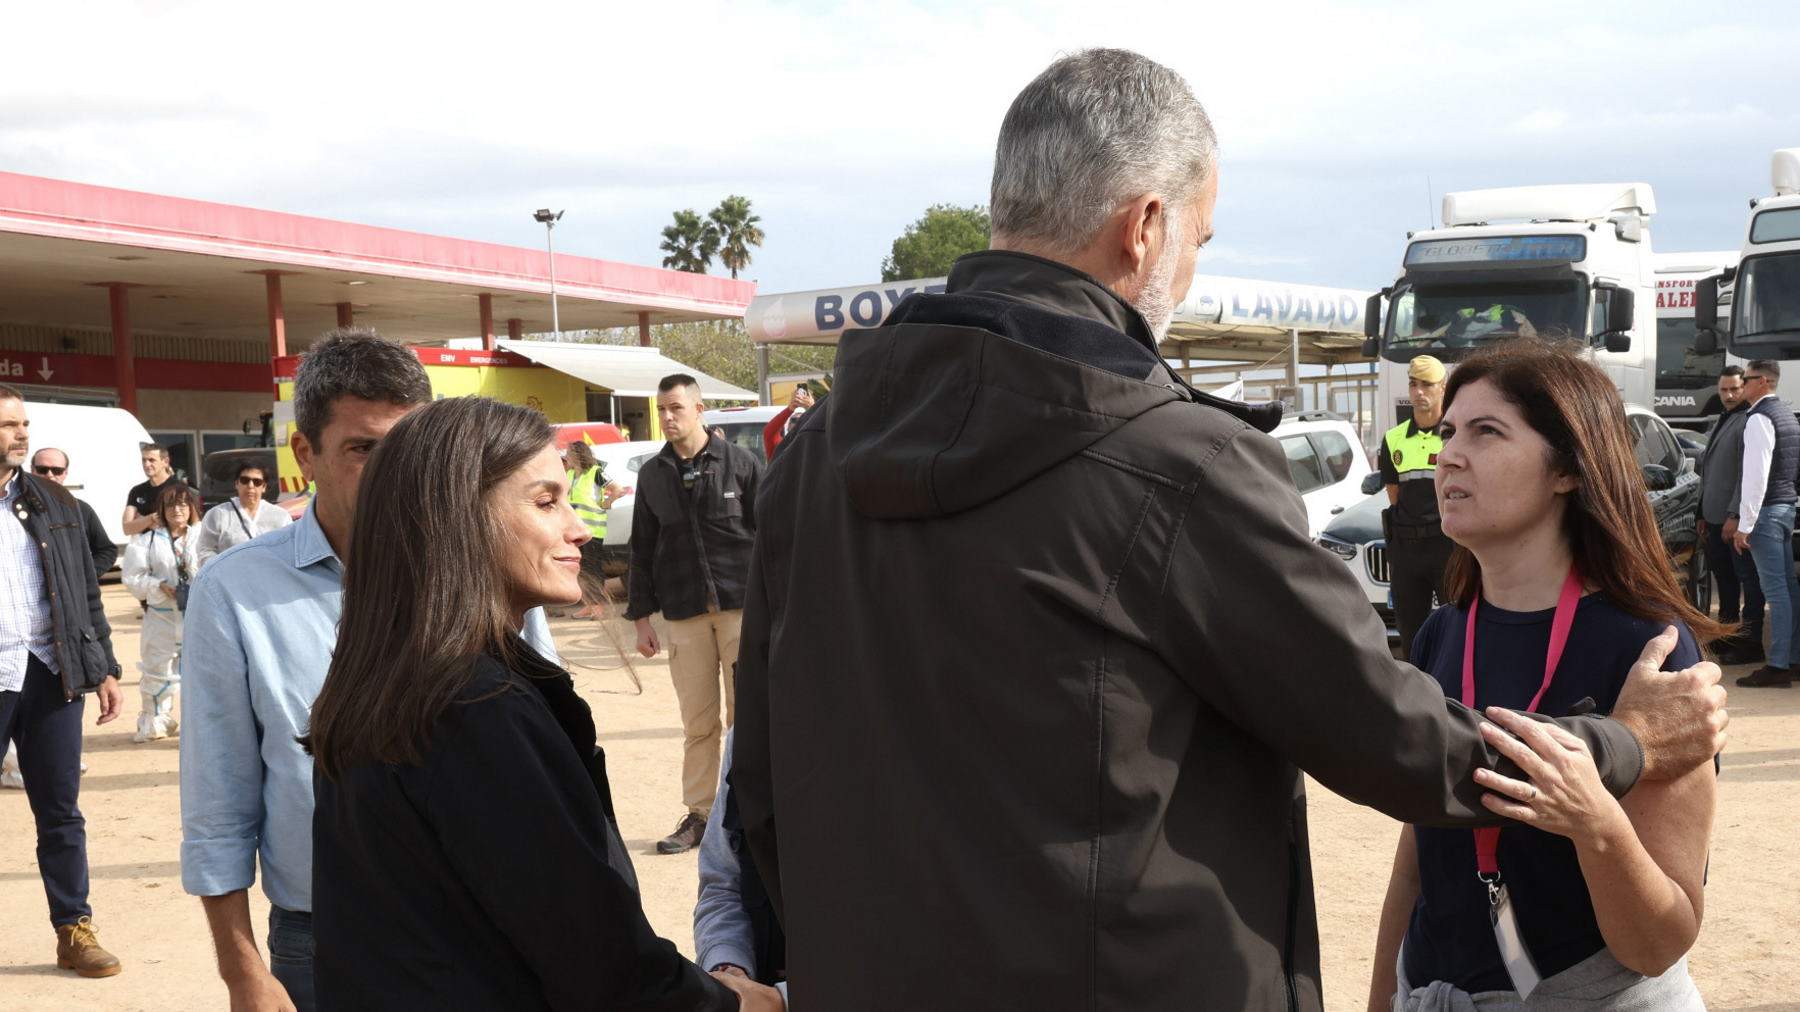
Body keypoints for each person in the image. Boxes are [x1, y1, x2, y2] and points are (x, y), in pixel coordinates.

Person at [728, 50, 1729, 1010]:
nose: (1192, 270)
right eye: (1200, 239)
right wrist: (1621, 743)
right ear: (1145, 226)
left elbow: (760, 786)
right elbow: (1393, 741)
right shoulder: (1176, 463)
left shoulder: (810, 459)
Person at [304, 396, 777, 1011]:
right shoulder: (472, 707)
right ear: (458, 517)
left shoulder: (397, 683)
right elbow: (595, 956)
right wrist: (734, 1004)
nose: (578, 527)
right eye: (545, 501)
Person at [179, 328, 559, 1012]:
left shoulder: (487, 568)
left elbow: (549, 757)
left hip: (492, 929)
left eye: (406, 449)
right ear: (304, 454)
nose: (392, 473)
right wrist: (245, 975)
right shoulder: (234, 594)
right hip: (320, 944)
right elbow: (219, 806)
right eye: (363, 449)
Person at [1367, 340, 1720, 1009]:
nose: (1447, 455)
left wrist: (1595, 823)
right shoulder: (1444, 633)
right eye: (1447, 433)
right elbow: (1418, 861)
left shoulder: (1652, 652)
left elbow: (1659, 942)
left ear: (1567, 469)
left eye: (1487, 431)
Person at [0, 383, 126, 978]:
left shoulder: (54, 501)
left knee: (61, 812)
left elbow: (83, 592)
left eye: (22, 423)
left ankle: (73, 930)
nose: (21, 434)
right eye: (8, 425)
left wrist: (101, 665)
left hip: (50, 675)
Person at [626, 373, 765, 855]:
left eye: (676, 408)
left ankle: (754, 811)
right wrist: (642, 620)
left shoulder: (742, 465)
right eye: (662, 408)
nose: (667, 417)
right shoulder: (652, 475)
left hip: (741, 610)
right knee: (698, 723)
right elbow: (642, 550)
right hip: (684, 614)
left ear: (699, 409)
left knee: (748, 716)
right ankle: (701, 815)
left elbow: (771, 539)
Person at [695, 729, 787, 996]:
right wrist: (728, 966)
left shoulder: (894, 743)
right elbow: (724, 885)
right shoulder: (750, 735)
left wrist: (784, 999)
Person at [1728, 359, 1800, 688]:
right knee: (1789, 589)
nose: (1742, 385)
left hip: (1766, 512)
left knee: (1776, 593)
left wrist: (1746, 523)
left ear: (1764, 383)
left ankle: (1778, 665)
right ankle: (1792, 658)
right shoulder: (1785, 414)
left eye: (1747, 379)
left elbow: (1755, 477)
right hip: (1784, 509)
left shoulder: (1759, 418)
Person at [1381, 355, 1455, 657]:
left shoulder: (1456, 436)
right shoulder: (1393, 438)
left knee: (1458, 626)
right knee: (1411, 635)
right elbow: (1393, 493)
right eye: (1413, 384)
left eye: (1427, 384)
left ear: (1443, 388)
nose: (1418, 392)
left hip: (1448, 546)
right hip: (1408, 551)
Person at [121, 483, 201, 743]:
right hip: (162, 616)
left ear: (191, 508)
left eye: (182, 504)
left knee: (201, 672)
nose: (177, 510)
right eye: (170, 505)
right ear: (161, 510)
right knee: (157, 669)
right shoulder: (147, 541)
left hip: (198, 617)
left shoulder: (203, 538)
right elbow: (132, 578)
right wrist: (157, 586)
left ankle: (200, 725)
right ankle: (156, 720)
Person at [1697, 366, 1763, 664]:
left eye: (1734, 389)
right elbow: (1709, 471)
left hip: (1731, 519)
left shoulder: (1748, 421)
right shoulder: (1724, 419)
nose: (1729, 395)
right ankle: (1727, 634)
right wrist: (1701, 511)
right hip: (1712, 517)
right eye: (1723, 390)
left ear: (1745, 387)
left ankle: (1748, 643)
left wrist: (1735, 514)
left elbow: (1744, 475)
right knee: (1724, 582)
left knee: (1746, 583)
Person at [32, 448, 118, 574]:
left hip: (71, 592)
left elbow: (107, 551)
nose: (49, 475)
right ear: (32, 470)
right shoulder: (14, 509)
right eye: (42, 470)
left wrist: (82, 578)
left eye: (57, 471)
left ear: (65, 473)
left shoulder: (80, 509)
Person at [194, 462, 290, 567]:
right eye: (245, 480)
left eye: (257, 482)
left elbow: (289, 551)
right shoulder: (218, 515)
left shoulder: (281, 517)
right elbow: (205, 550)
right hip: (230, 580)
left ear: (264, 487)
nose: (250, 486)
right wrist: (224, 570)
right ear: (237, 483)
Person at [564, 439, 620, 615]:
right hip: (575, 531)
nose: (566, 457)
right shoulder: (570, 475)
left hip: (593, 531)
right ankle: (589, 604)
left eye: (569, 453)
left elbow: (617, 488)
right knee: (581, 569)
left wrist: (607, 503)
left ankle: (597, 606)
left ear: (578, 455)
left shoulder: (595, 473)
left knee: (593, 568)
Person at [122, 443, 178, 537]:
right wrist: (151, 518)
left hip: (171, 547)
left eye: (152, 460)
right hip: (144, 548)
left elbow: (179, 523)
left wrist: (140, 521)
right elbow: (127, 528)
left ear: (165, 461)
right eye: (144, 460)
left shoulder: (178, 488)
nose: (146, 464)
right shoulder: (137, 491)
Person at [761, 384, 814, 460]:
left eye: (802, 419)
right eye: (793, 420)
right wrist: (790, 408)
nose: (797, 423)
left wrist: (812, 408)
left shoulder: (815, 446)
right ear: (788, 426)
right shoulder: (781, 448)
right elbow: (768, 432)